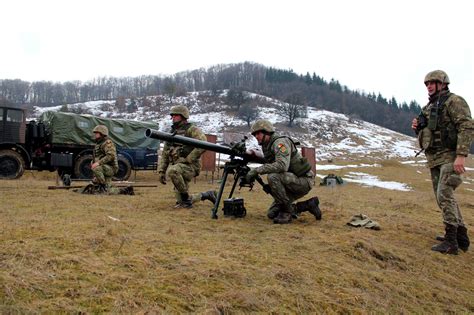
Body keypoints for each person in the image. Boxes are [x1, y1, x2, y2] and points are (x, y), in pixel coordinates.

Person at [412, 70, 473, 254]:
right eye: (427, 83)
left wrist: (461, 155)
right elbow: (428, 132)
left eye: (433, 82)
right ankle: (461, 236)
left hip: (450, 155)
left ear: (443, 83)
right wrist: (418, 127)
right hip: (434, 157)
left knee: (444, 195)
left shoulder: (454, 101)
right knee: (443, 198)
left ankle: (451, 242)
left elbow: (466, 126)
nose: (429, 86)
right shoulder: (428, 107)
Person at [245, 119, 321, 224]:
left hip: (303, 181)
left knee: (273, 177)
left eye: (258, 133)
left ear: (267, 132)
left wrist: (257, 171)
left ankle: (287, 212)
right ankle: (309, 205)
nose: (256, 137)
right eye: (254, 135)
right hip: (290, 181)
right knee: (271, 213)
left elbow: (282, 166)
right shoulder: (267, 145)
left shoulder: (280, 143)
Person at [158, 105, 216, 208]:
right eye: (172, 115)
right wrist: (161, 171)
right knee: (181, 201)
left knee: (172, 171)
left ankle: (185, 200)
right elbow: (165, 154)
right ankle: (206, 195)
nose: (173, 118)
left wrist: (189, 158)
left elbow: (203, 144)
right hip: (178, 166)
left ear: (183, 116)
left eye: (176, 115)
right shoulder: (172, 133)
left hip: (191, 166)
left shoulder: (192, 129)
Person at [91, 125, 119, 192]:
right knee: (107, 189)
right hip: (105, 167)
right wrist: (93, 162)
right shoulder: (99, 143)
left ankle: (102, 186)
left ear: (102, 133)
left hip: (111, 168)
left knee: (96, 168)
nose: (95, 134)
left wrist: (98, 163)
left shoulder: (107, 143)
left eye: (97, 133)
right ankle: (104, 186)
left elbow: (111, 156)